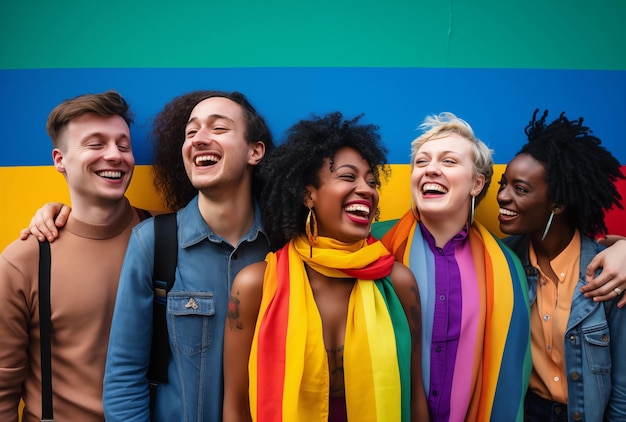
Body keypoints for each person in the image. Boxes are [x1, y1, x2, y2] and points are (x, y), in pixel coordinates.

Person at [223, 112, 429, 422]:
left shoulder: (399, 284)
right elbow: (236, 407)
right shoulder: (254, 286)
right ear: (308, 194)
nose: (366, 190)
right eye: (348, 176)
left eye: (371, 182)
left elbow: (414, 400)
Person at [102, 90, 274, 421]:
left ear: (255, 151)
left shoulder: (283, 245)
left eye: (218, 128)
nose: (198, 139)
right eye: (191, 132)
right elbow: (124, 378)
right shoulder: (153, 242)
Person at [372, 112, 531, 421]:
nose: (430, 169)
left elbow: (511, 372)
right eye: (421, 162)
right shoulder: (373, 246)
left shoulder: (508, 266)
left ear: (476, 183)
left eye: (448, 162)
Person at [0, 91, 146, 421]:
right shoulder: (24, 261)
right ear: (59, 160)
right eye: (95, 144)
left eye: (123, 145)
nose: (115, 156)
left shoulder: (167, 237)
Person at [497, 110, 626, 421]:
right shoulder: (501, 262)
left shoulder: (608, 272)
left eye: (520, 189)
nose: (502, 196)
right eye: (503, 185)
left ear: (558, 203)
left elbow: (622, 385)